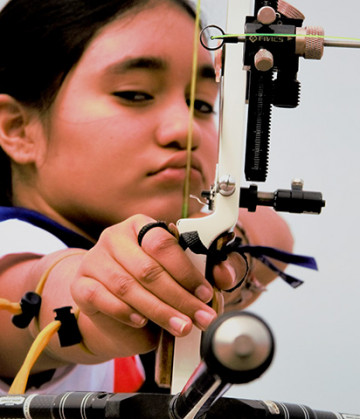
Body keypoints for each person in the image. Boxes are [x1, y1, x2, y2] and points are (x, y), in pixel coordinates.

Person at [0, 0, 294, 395]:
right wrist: (98, 295)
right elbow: (43, 289)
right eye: (135, 95)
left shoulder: (170, 246)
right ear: (18, 129)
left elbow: (274, 234)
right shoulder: (14, 245)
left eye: (202, 103)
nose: (183, 128)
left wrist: (211, 246)